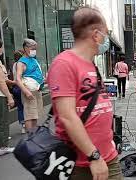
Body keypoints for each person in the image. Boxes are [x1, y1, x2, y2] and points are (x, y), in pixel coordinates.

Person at [47, 7, 123, 180]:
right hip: (82, 162)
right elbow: (67, 116)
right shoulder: (64, 64)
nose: (106, 38)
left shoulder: (91, 64)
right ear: (96, 35)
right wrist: (94, 156)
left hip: (108, 156)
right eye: (106, 33)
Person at [16, 38, 44, 132]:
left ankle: (34, 135)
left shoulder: (33, 59)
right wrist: (25, 91)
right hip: (29, 91)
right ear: (25, 48)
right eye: (32, 48)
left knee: (35, 115)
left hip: (37, 90)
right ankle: (30, 136)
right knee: (29, 115)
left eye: (35, 48)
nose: (34, 51)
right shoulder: (21, 62)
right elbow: (18, 79)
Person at [0, 37, 15, 156]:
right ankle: (2, 146)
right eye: (1, 47)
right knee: (1, 121)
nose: (2, 49)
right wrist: (9, 96)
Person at [12, 50, 25, 133]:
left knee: (20, 107)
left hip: (15, 87)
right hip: (22, 86)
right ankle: (28, 124)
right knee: (26, 106)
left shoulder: (14, 65)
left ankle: (22, 125)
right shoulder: (22, 64)